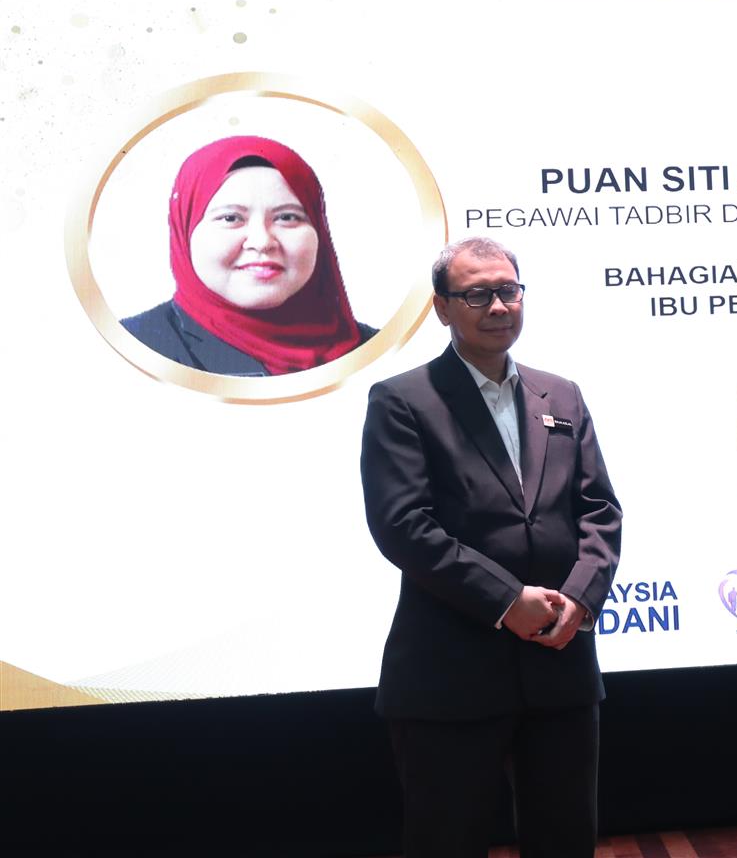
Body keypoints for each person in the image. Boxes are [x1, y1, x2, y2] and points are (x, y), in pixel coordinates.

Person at [361, 237, 623, 858]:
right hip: (450, 672)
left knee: (566, 841)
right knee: (446, 842)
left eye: (508, 290)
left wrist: (580, 601)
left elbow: (600, 510)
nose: (499, 306)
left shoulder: (561, 394)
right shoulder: (403, 400)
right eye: (477, 294)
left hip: (560, 665)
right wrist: (507, 601)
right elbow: (403, 526)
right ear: (442, 308)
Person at [120, 135, 374, 375]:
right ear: (184, 230)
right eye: (231, 218)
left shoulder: (375, 353)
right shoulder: (130, 349)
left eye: (287, 217)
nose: (262, 242)